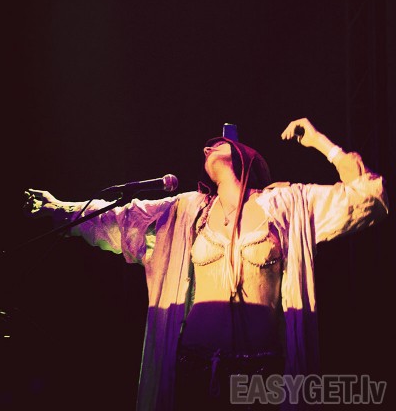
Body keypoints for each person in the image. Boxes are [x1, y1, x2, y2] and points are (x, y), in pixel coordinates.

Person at [24, 118, 388, 410]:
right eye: (206, 146)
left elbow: (369, 195)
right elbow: (120, 218)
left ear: (245, 154)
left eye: (218, 142)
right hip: (194, 370)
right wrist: (60, 208)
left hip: (260, 378)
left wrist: (321, 142)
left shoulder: (286, 205)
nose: (207, 147)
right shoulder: (187, 210)